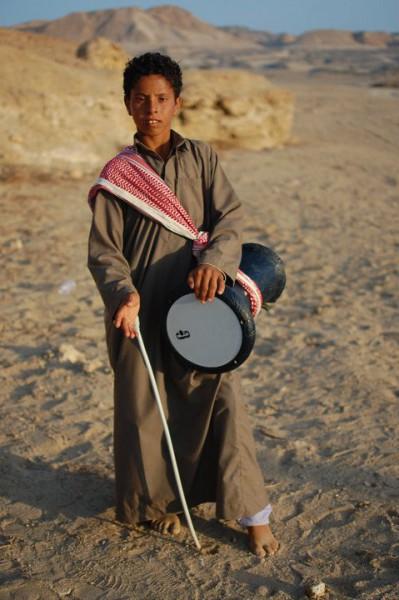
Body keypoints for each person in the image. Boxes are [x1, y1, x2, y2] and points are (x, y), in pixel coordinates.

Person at [87, 52, 279, 557]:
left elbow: (229, 217)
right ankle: (157, 506)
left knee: (222, 400)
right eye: (140, 99)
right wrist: (122, 294)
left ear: (177, 102)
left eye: (161, 99)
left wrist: (216, 262)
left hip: (202, 302)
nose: (151, 108)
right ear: (127, 103)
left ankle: (253, 513)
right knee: (146, 408)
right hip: (140, 309)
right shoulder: (118, 175)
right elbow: (104, 251)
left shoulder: (202, 157)